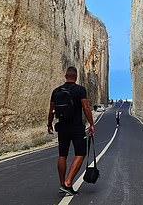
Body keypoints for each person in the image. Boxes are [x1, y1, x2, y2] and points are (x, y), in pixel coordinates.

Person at [47, 66, 95, 196]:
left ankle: (62, 184)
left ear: (65, 76)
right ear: (76, 77)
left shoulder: (56, 91)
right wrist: (91, 123)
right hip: (76, 127)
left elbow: (52, 109)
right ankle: (68, 183)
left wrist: (49, 124)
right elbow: (85, 107)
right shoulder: (79, 90)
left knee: (62, 155)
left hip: (62, 127)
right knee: (80, 153)